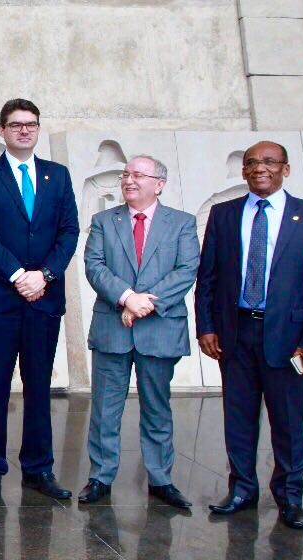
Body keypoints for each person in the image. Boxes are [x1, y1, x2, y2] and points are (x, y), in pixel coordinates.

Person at [196, 141, 303, 530]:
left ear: (285, 169)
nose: (260, 168)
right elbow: (207, 278)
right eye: (252, 163)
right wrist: (205, 326)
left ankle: (290, 498)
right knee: (237, 417)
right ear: (243, 172)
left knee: (288, 422)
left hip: (287, 338)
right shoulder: (224, 215)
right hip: (234, 332)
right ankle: (241, 490)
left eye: (270, 162)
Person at [0, 98, 79, 501]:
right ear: (2, 130)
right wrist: (17, 274)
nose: (24, 131)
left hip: (43, 299)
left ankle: (38, 468)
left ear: (38, 128)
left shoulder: (57, 176)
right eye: (16, 125)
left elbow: (69, 232)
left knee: (38, 385)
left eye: (31, 124)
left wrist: (44, 275)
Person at [79, 155, 198, 508]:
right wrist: (128, 298)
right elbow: (94, 265)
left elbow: (186, 269)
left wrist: (147, 304)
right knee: (104, 408)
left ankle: (161, 478)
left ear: (159, 183)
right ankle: (100, 476)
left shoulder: (182, 223)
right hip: (113, 328)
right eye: (125, 174)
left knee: (157, 407)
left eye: (138, 175)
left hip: (159, 328)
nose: (129, 180)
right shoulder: (104, 221)